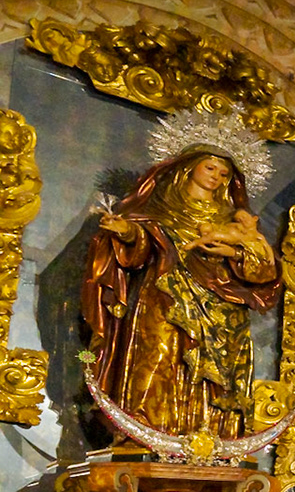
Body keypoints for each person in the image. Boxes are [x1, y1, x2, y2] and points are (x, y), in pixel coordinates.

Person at [83, 114, 282, 439]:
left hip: (222, 307)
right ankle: (147, 434)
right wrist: (128, 232)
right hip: (164, 294)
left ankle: (208, 440)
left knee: (214, 377)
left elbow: (264, 270)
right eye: (210, 168)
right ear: (189, 166)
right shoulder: (158, 206)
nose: (216, 177)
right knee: (158, 355)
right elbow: (142, 243)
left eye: (224, 173)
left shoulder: (236, 219)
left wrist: (234, 253)